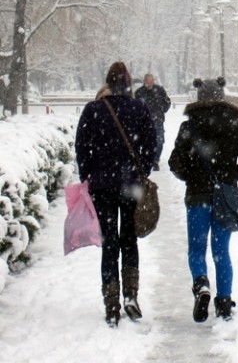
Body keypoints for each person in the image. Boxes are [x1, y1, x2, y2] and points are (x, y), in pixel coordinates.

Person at [169, 77, 238, 322]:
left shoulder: (189, 128)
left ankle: (201, 285)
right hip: (225, 197)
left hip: (197, 197)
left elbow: (174, 163)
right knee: (222, 251)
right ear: (222, 96)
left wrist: (191, 177)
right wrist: (231, 177)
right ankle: (223, 302)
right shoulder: (235, 125)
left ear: (199, 97)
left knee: (197, 250)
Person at [75, 62, 157, 327]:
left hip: (102, 187)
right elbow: (150, 145)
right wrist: (140, 169)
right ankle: (131, 296)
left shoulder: (93, 110)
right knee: (129, 238)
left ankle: (111, 302)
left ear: (107, 83)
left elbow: (82, 147)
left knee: (109, 242)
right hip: (130, 185)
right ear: (128, 83)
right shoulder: (139, 109)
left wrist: (88, 176)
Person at [135, 73, 172, 170]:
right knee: (145, 142)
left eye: (152, 81)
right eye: (148, 81)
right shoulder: (139, 92)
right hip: (144, 121)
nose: (150, 83)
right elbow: (135, 106)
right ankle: (147, 159)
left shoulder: (159, 90)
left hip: (158, 120)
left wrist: (162, 110)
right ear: (145, 81)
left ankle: (155, 160)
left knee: (159, 141)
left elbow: (167, 102)